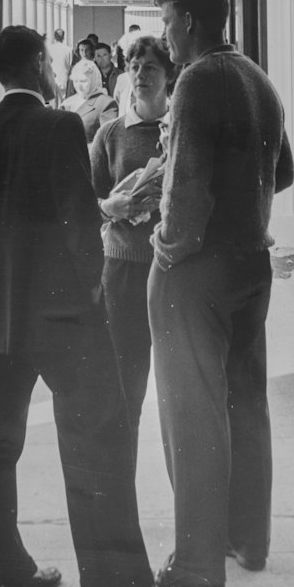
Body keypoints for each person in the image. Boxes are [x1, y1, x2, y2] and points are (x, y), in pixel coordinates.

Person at [0, 25, 157, 587]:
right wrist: (91, 289)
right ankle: (117, 583)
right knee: (95, 438)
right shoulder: (61, 126)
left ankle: (8, 572)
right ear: (38, 64)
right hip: (65, 317)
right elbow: (78, 219)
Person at [147, 0, 294, 587]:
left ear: (189, 20)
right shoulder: (256, 77)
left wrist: (166, 248)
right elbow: (282, 170)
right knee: (245, 402)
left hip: (197, 270)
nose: (164, 36)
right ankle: (248, 540)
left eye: (168, 23)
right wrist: (247, 201)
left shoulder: (195, 80)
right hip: (250, 265)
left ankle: (198, 569)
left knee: (193, 415)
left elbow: (184, 191)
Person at [90, 36, 176, 467]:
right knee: (126, 379)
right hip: (122, 271)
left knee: (178, 380)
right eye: (135, 67)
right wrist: (111, 206)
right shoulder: (110, 134)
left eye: (151, 68)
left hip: (174, 271)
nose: (141, 75)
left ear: (169, 75)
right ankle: (121, 469)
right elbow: (83, 202)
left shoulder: (180, 131)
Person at [60, 59, 118, 145]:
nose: (78, 86)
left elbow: (108, 142)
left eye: (83, 81)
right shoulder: (67, 103)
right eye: (76, 81)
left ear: (94, 80)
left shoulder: (105, 103)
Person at [47, 27, 73, 107]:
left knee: (53, 104)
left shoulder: (49, 49)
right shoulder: (69, 49)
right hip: (64, 80)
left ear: (54, 37)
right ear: (64, 37)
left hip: (52, 80)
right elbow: (70, 65)